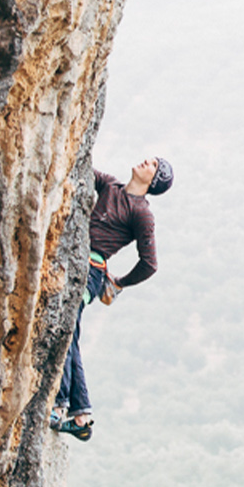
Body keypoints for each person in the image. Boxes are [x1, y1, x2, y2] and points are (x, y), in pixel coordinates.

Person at [51, 156, 173, 440]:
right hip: (78, 261)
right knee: (71, 335)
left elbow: (149, 264)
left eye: (153, 165)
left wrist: (119, 283)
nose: (146, 161)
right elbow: (82, 165)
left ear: (154, 181)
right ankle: (80, 416)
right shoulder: (111, 186)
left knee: (66, 330)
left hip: (92, 271)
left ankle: (60, 407)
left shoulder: (141, 213)